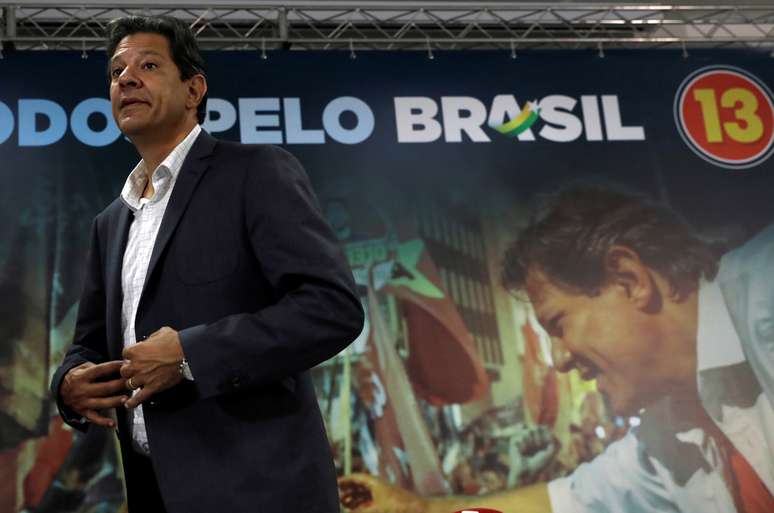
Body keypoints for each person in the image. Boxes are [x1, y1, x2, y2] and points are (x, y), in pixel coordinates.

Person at [50, 15, 364, 513]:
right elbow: (89, 344)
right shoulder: (110, 222)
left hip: (260, 491)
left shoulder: (255, 172)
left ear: (194, 89)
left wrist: (189, 354)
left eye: (147, 65)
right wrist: (68, 386)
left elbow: (331, 309)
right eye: (116, 71)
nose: (125, 79)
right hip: (154, 491)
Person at [338, 185, 774, 513]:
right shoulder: (666, 439)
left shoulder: (765, 290)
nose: (559, 360)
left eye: (559, 324)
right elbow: (565, 502)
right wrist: (419, 509)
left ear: (629, 280)